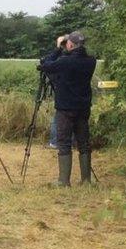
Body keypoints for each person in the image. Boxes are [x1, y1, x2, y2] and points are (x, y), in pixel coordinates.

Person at [38, 32, 97, 186]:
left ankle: (64, 181)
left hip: (65, 108)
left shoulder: (65, 61)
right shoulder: (91, 61)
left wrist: (58, 48)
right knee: (84, 143)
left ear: (70, 44)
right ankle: (86, 180)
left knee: (64, 142)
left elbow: (45, 65)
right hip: (83, 107)